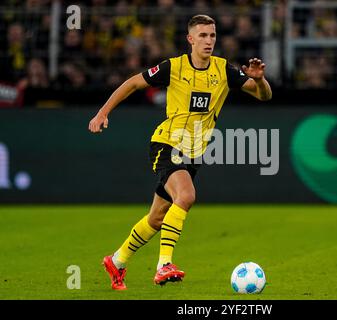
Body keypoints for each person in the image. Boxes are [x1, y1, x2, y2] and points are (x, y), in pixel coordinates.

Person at [88, 14, 272, 290]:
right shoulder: (173, 68)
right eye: (202, 36)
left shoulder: (223, 70)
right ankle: (164, 265)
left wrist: (258, 80)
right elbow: (134, 83)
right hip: (167, 144)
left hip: (193, 154)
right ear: (190, 39)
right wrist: (103, 112)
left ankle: (118, 260)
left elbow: (264, 96)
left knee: (157, 217)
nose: (208, 41)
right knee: (186, 196)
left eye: (212, 35)